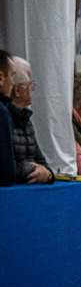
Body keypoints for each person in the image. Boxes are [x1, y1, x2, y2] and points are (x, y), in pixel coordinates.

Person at [7, 57, 54, 184]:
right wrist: (33, 168)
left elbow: (43, 162)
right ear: (17, 90)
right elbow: (6, 168)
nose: (32, 89)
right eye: (30, 85)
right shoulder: (4, 119)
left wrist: (48, 175)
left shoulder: (27, 121)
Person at [0, 49, 18, 186]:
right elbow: (7, 173)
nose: (13, 82)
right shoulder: (2, 113)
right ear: (1, 78)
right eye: (12, 76)